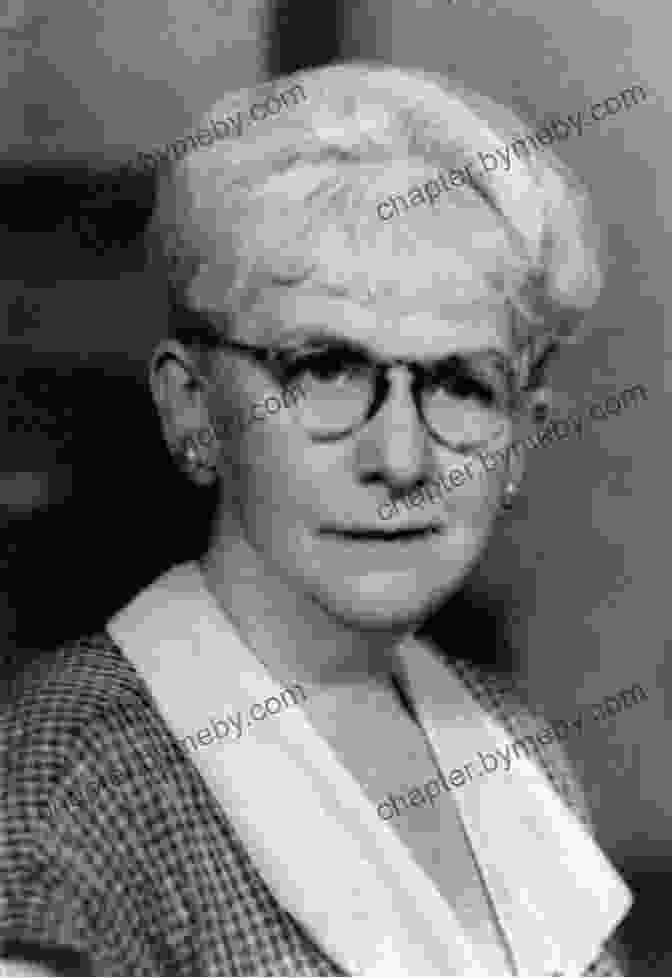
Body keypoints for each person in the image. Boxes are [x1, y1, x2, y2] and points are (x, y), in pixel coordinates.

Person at [1, 62, 632, 976]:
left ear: (522, 439)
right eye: (325, 370)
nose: (402, 458)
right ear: (192, 408)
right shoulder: (76, 783)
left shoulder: (506, 739)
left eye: (462, 384)